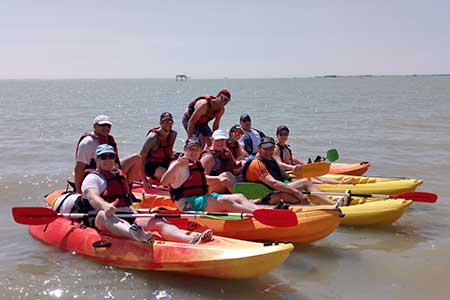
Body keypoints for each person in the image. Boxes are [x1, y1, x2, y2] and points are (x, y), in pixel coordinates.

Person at [77, 144, 213, 245]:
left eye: (111, 156)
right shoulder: (93, 178)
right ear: (97, 159)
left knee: (158, 221)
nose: (108, 160)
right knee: (104, 214)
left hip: (128, 216)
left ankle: (190, 239)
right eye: (103, 157)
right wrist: (105, 206)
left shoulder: (118, 174)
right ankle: (134, 234)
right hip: (102, 218)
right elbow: (92, 196)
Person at [160, 137, 259, 213]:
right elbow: (163, 181)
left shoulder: (196, 163)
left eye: (197, 149)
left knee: (238, 196)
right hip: (187, 204)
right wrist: (176, 165)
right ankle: (255, 216)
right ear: (185, 150)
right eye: (191, 149)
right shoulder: (178, 165)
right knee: (225, 201)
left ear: (200, 151)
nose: (194, 152)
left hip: (201, 198)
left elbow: (204, 180)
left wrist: (219, 179)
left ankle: (260, 211)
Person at [242, 136, 335, 205]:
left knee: (305, 181)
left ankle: (331, 204)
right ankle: (315, 207)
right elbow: (273, 183)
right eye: (265, 148)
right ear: (259, 148)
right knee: (290, 196)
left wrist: (295, 180)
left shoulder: (270, 159)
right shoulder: (256, 163)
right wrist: (297, 192)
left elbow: (285, 177)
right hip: (262, 195)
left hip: (273, 190)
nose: (269, 151)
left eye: (271, 148)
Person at [74, 115, 142, 193]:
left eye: (108, 126)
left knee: (137, 158)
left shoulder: (109, 139)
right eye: (102, 125)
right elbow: (79, 168)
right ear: (94, 126)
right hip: (95, 173)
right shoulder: (88, 143)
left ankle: (127, 191)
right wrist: (78, 191)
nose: (106, 128)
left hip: (110, 167)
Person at [274, 125, 352, 184]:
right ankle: (336, 184)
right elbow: (279, 164)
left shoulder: (286, 148)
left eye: (286, 134)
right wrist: (293, 167)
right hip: (286, 175)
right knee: (313, 180)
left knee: (315, 175)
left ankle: (339, 183)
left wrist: (307, 165)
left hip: (294, 171)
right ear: (277, 135)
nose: (284, 136)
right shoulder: (276, 148)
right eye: (282, 134)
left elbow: (294, 159)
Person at [139, 112, 177, 190]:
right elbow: (141, 158)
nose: (168, 124)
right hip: (150, 165)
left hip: (164, 161)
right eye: (165, 121)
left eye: (170, 121)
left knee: (181, 169)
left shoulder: (173, 134)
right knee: (168, 175)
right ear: (160, 123)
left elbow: (169, 151)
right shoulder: (153, 137)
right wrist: (144, 180)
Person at [200, 129, 241, 193]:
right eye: (217, 140)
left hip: (225, 182)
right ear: (212, 140)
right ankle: (239, 195)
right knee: (226, 175)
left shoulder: (226, 151)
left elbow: (234, 167)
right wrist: (219, 178)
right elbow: (202, 178)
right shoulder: (208, 157)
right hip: (209, 188)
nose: (220, 143)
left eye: (222, 140)